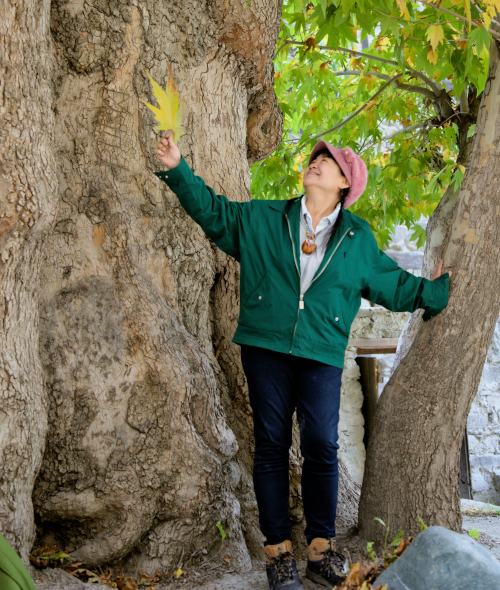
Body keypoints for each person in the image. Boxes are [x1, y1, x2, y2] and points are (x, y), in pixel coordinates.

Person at [153, 131, 451, 590]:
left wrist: (434, 292)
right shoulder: (266, 217)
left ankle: (320, 548)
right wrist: (177, 168)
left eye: (327, 163)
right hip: (266, 346)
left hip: (321, 351)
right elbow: (213, 214)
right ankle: (277, 553)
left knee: (321, 445)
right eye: (314, 159)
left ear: (345, 184)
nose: (315, 164)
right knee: (271, 443)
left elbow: (393, 284)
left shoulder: (357, 239)